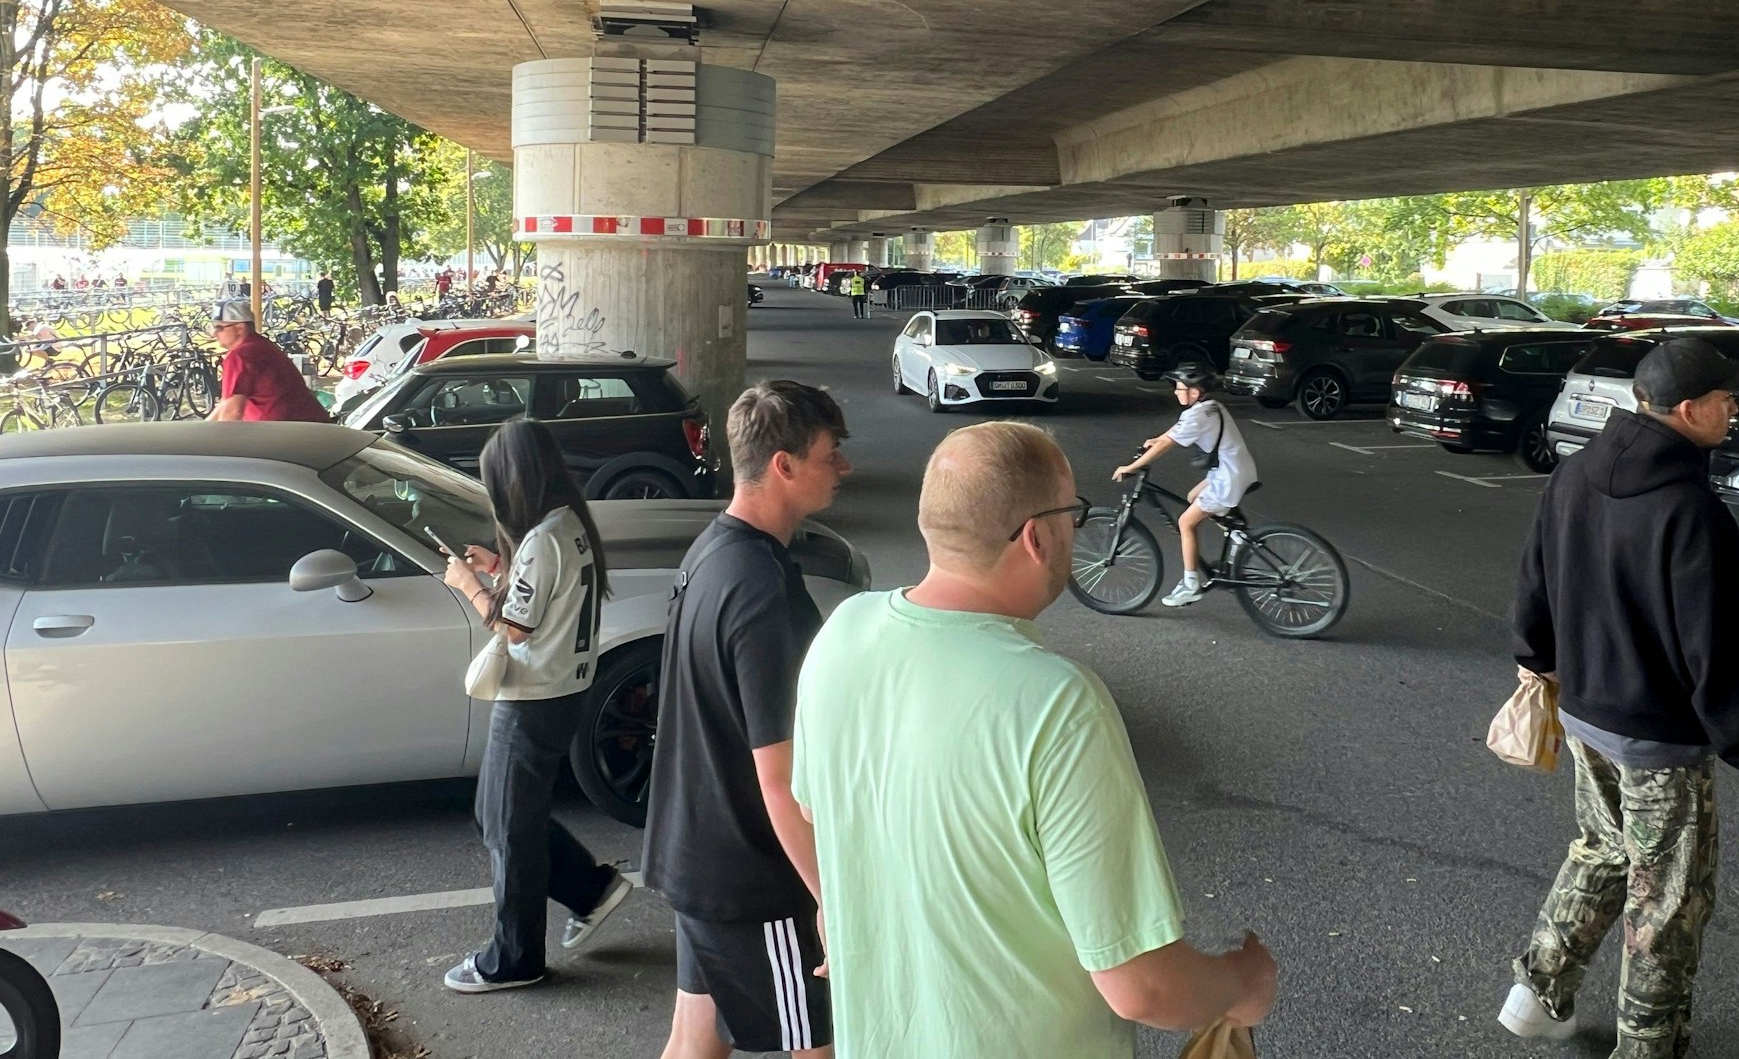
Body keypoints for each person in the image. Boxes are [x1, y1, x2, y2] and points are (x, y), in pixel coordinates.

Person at [793, 421, 1277, 1058]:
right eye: (1072, 514)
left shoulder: (844, 633)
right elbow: (1141, 986)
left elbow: (814, 815)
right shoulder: (1057, 703)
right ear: (1037, 538)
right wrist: (1246, 982)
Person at [1502, 337, 1739, 1055]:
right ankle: (1649, 1047)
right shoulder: (1691, 508)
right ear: (1691, 409)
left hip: (1584, 711)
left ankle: (1538, 992)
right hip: (1660, 739)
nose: (1736, 409)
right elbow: (1718, 654)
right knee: (1667, 899)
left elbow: (1532, 586)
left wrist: (1541, 662)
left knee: (1603, 849)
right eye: (1728, 399)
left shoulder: (1574, 474)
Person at [643, 380, 852, 1058]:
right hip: (753, 877)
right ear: (785, 466)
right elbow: (780, 776)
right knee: (817, 1046)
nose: (843, 468)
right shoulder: (760, 588)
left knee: (693, 1041)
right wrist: (833, 898)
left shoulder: (714, 550)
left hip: (695, 854)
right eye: (831, 453)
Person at [441, 418, 631, 993]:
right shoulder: (568, 526)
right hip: (560, 690)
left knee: (506, 825)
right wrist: (501, 570)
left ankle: (515, 958)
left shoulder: (542, 539)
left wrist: (467, 584)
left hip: (533, 695)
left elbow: (516, 628)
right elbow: (550, 596)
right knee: (502, 816)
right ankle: (589, 889)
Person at [1111, 362, 1257, 608]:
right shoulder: (1210, 407)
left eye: (1180, 388)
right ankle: (1237, 534)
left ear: (1195, 392)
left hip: (1228, 476)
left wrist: (1132, 467)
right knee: (1193, 496)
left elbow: (1168, 445)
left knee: (1185, 522)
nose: (1176, 392)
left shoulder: (1198, 414)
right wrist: (1159, 438)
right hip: (1236, 469)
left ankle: (1190, 585)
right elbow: (1174, 432)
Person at [207, 300, 329, 423]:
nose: (214, 334)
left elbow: (231, 412)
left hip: (285, 432)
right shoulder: (261, 345)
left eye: (219, 328)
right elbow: (226, 403)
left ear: (240, 328)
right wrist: (203, 429)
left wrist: (215, 440)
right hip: (307, 426)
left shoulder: (241, 355)